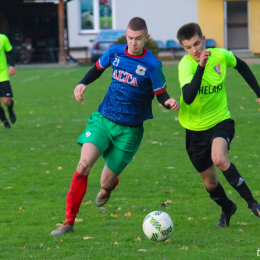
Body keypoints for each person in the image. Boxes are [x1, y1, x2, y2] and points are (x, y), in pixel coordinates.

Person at [50, 17, 179, 235]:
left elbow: (160, 94)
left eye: (138, 39)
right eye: (130, 38)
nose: (133, 43)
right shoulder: (115, 52)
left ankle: (109, 187)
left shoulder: (153, 65)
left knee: (105, 182)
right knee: (83, 166)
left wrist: (168, 102)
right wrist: (82, 83)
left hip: (129, 131)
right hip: (103, 120)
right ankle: (68, 222)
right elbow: (97, 69)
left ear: (146, 38)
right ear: (126, 36)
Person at [176, 22, 260, 228]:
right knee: (210, 183)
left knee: (219, 158)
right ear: (184, 48)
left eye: (197, 44)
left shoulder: (220, 56)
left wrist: (258, 93)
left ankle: (253, 203)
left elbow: (241, 65)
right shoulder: (186, 65)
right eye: (188, 47)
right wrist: (201, 68)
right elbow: (188, 97)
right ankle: (227, 208)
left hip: (221, 121)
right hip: (194, 130)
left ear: (204, 40)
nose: (194, 50)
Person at [0, 33, 16, 128]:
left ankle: (10, 109)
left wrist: (11, 66)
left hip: (2, 75)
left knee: (6, 101)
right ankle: (5, 121)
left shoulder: (2, 38)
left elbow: (11, 52)